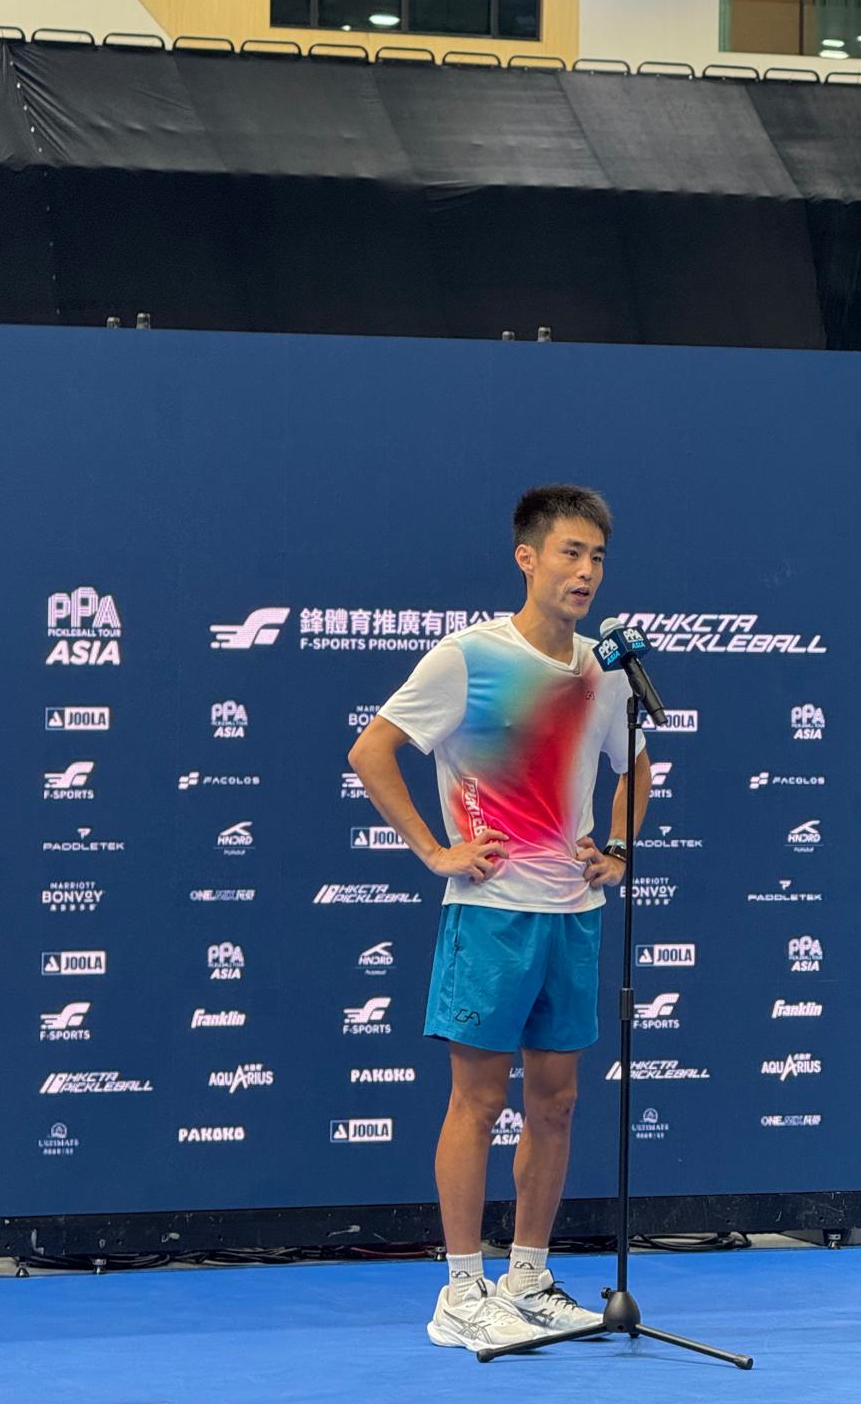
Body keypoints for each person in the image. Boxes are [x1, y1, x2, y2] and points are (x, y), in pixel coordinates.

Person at [349, 484, 651, 1353]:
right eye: (570, 553)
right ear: (527, 558)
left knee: (555, 1103)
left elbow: (636, 771)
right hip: (489, 916)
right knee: (477, 1103)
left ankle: (527, 1275)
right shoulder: (467, 657)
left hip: (574, 914)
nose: (586, 571)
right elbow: (372, 751)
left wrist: (618, 848)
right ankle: (460, 1290)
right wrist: (435, 850)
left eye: (597, 557)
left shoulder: (602, 670)